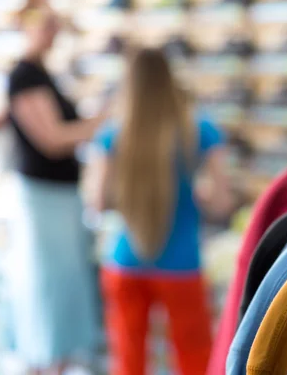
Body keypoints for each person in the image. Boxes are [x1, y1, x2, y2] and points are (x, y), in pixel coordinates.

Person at [88, 47, 234, 375]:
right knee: (195, 358)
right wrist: (195, 197)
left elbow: (98, 203)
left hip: (125, 259)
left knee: (128, 359)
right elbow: (221, 203)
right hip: (181, 263)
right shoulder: (200, 130)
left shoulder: (113, 134)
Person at [5, 0, 104, 375]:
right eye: (44, 24)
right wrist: (100, 121)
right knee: (46, 287)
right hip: (44, 198)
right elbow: (52, 138)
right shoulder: (25, 75)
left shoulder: (42, 73)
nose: (52, 31)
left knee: (60, 286)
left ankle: (55, 364)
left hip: (59, 196)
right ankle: (43, 365)